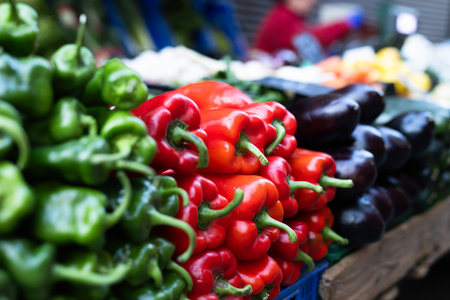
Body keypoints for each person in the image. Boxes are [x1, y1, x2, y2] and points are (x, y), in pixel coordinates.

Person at [253, 0, 363, 58]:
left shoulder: (290, 17)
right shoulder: (281, 16)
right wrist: (345, 24)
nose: (313, 2)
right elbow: (310, 39)